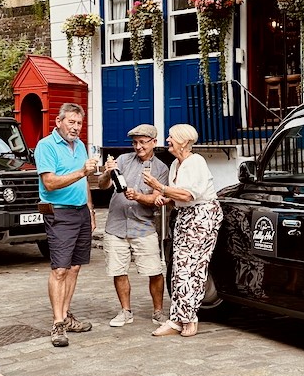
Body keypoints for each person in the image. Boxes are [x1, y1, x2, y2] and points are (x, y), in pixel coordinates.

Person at [143, 123, 221, 339]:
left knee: (192, 268)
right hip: (186, 217)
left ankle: (188, 319)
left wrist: (160, 187)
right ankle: (177, 318)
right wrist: (165, 197)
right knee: (179, 267)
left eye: (171, 137)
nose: (167, 140)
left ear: (184, 142)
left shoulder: (196, 162)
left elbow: (188, 195)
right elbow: (178, 195)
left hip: (202, 217)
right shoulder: (177, 164)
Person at [34, 103, 99, 347]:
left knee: (74, 268)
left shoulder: (80, 146)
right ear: (58, 122)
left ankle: (67, 315)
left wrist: (90, 211)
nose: (75, 127)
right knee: (59, 269)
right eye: (71, 122)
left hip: (81, 212)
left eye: (79, 123)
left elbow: (85, 185)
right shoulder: (46, 146)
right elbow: (49, 183)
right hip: (59, 213)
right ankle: (57, 324)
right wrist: (82, 172)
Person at [94, 123, 169, 327]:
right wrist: (107, 173)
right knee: (118, 270)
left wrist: (137, 196)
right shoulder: (124, 160)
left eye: (143, 142)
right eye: (135, 143)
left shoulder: (161, 169)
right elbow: (102, 186)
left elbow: (156, 198)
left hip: (143, 226)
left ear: (154, 142)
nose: (138, 147)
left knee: (154, 271)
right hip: (116, 225)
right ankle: (125, 311)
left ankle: (158, 312)